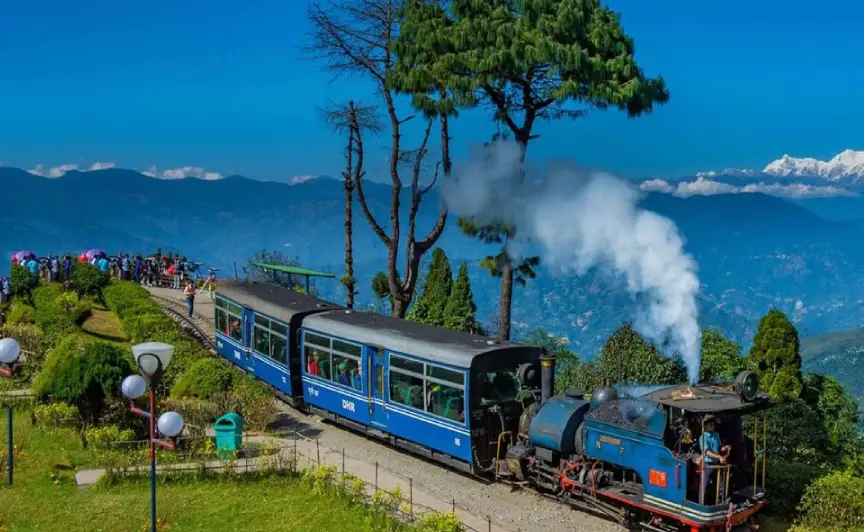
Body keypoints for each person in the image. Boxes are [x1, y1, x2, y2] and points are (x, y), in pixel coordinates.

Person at [698, 415, 731, 502]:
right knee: (704, 485)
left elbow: (720, 447)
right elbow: (707, 452)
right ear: (705, 426)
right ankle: (701, 505)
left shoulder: (716, 435)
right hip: (707, 465)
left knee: (721, 484)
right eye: (710, 425)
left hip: (716, 463)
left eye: (713, 425)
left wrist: (725, 448)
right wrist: (719, 457)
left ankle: (722, 501)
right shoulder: (703, 437)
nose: (713, 427)